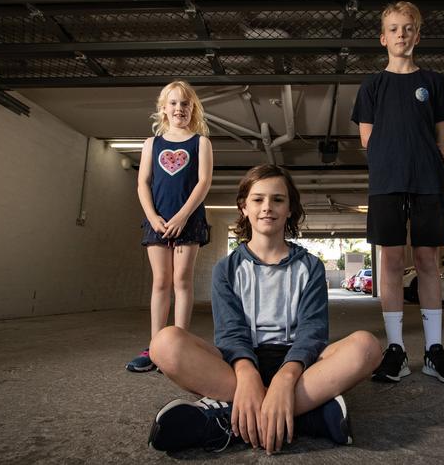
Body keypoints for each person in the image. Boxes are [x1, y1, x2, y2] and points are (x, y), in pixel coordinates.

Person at [147, 165, 381, 454]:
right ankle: (307, 414)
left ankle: (226, 418)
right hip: (239, 364)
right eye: (258, 199)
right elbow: (231, 334)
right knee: (164, 343)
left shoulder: (311, 267)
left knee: (366, 346)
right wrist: (247, 375)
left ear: (290, 209)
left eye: (278, 200)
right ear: (244, 207)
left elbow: (313, 333)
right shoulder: (227, 269)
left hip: (299, 364)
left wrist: (285, 378)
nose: (267, 207)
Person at [351, 1, 444, 386]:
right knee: (389, 260)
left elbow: (441, 138)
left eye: (408, 28)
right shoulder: (372, 85)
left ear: (417, 36)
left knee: (427, 259)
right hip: (387, 182)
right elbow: (367, 139)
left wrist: (428, 162)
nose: (401, 34)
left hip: (428, 181)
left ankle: (434, 351)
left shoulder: (434, 82)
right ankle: (397, 350)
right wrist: (394, 160)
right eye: (394, 28)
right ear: (382, 37)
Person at [126, 80, 213, 373]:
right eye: (174, 103)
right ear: (164, 108)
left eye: (185, 104)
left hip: (187, 220)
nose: (180, 108)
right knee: (161, 282)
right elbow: (143, 183)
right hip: (158, 220)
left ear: (193, 109)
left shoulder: (201, 142)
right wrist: (152, 216)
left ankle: (179, 345)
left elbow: (203, 183)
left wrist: (183, 216)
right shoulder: (152, 144)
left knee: (182, 282)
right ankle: (155, 347)